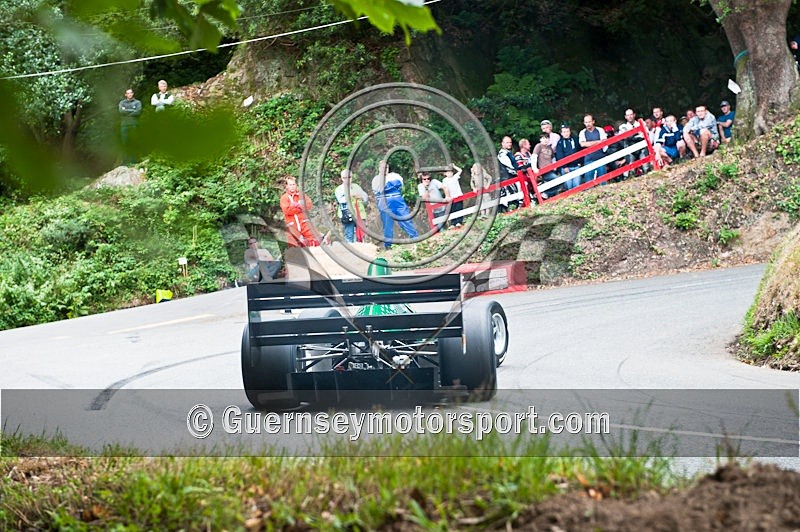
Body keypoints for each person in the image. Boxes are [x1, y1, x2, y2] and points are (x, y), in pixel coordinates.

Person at [371, 160, 418, 249]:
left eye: (386, 167)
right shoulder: (376, 179)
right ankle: (388, 246)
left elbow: (399, 184)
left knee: (406, 219)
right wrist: (391, 186)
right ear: (379, 169)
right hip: (384, 202)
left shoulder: (395, 175)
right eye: (383, 168)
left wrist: (387, 186)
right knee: (387, 224)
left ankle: (415, 239)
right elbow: (378, 190)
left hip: (398, 201)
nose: (385, 169)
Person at [280, 177, 318, 247]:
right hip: (292, 225)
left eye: (293, 184)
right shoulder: (284, 198)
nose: (292, 186)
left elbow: (309, 205)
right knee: (294, 244)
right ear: (287, 186)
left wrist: (296, 206)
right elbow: (287, 211)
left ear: (296, 185)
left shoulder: (301, 195)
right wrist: (300, 208)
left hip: (303, 222)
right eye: (290, 185)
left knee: (313, 238)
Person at [335, 169, 368, 243]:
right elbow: (341, 200)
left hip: (360, 214)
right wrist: (351, 195)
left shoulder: (356, 186)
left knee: (361, 235)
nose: (347, 179)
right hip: (347, 215)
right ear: (342, 178)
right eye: (345, 178)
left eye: (349, 177)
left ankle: (361, 249)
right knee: (349, 235)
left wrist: (360, 196)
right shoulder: (339, 189)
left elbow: (365, 197)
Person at [578, 114, 608, 182]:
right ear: (584, 123)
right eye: (586, 122)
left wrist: (589, 144)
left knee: (603, 180)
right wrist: (597, 142)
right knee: (589, 181)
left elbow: (604, 142)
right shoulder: (582, 132)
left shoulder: (600, 130)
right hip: (588, 159)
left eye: (589, 122)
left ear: (593, 121)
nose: (588, 124)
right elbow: (582, 144)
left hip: (600, 158)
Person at [531, 132, 559, 198]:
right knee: (558, 180)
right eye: (543, 138)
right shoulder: (539, 146)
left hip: (551, 170)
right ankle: (545, 194)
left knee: (555, 183)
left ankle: (548, 196)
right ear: (540, 139)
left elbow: (553, 158)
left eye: (547, 138)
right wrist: (534, 168)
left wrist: (554, 166)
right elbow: (534, 156)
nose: (545, 140)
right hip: (544, 171)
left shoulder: (550, 148)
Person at [118, 88, 142, 165]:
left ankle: (134, 160)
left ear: (133, 93)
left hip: (134, 124)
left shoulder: (137, 102)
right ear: (125, 94)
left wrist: (126, 111)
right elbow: (121, 111)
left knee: (134, 141)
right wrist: (132, 111)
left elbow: (138, 112)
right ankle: (125, 160)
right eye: (128, 93)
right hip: (124, 125)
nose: (129, 94)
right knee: (125, 142)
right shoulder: (122, 102)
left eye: (131, 93)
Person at [555, 123, 582, 190]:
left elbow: (580, 151)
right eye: (564, 132)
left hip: (576, 166)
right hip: (566, 168)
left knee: (577, 185)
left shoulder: (575, 140)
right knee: (568, 186)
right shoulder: (560, 143)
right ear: (561, 133)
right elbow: (559, 156)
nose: (566, 133)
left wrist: (580, 162)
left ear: (570, 132)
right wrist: (564, 167)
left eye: (567, 131)